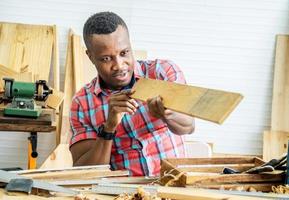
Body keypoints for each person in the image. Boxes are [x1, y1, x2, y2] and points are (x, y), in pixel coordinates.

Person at [69, 11, 195, 176]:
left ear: (130, 45)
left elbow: (189, 126)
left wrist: (167, 114)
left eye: (124, 53)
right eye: (106, 59)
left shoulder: (163, 73)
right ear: (91, 56)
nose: (119, 65)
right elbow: (85, 172)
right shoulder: (82, 103)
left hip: (173, 186)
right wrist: (109, 127)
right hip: (124, 192)